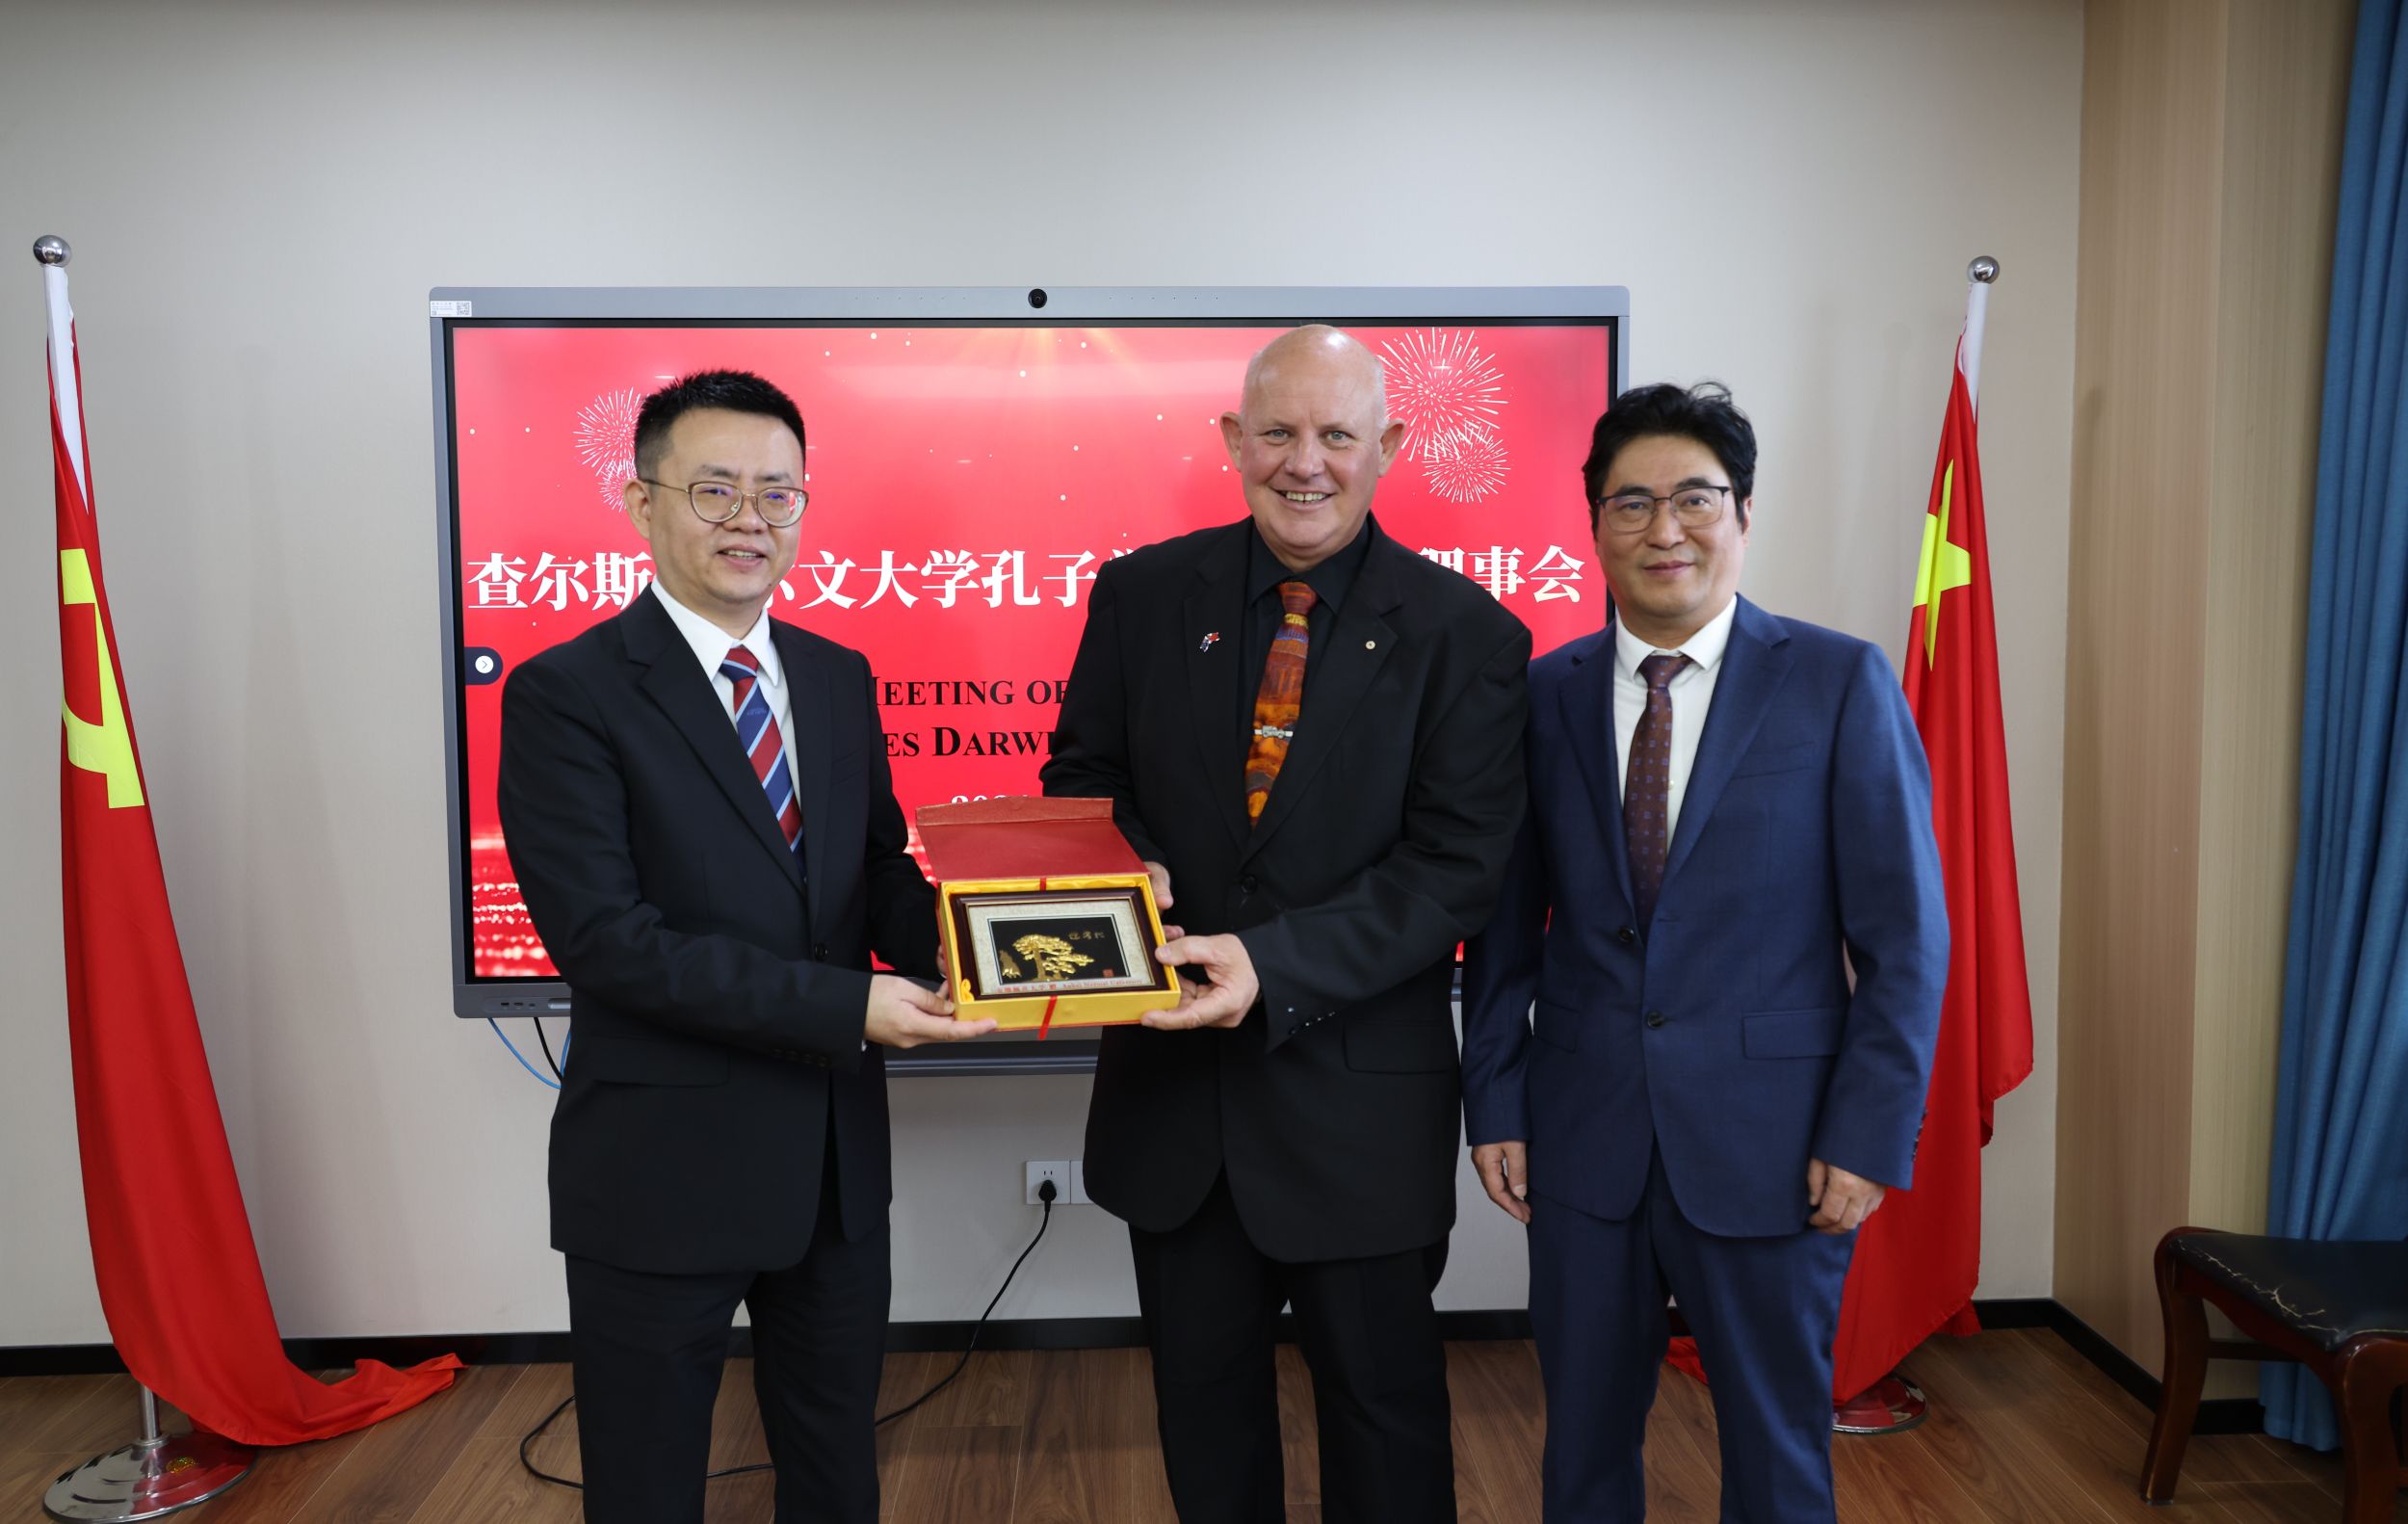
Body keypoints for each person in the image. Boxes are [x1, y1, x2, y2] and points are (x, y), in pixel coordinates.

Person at [1041, 326, 1531, 1524]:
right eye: (1276, 431)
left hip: (1358, 1113)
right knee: (1204, 1421)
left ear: (1388, 446)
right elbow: (1083, 780)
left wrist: (1269, 965)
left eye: (1335, 435)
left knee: (1384, 1421)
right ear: (1232, 439)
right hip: (1175, 1106)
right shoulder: (1144, 594)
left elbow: (1455, 869)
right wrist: (1127, 868)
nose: (1303, 462)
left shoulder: (1467, 635)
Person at [497, 369, 993, 1524]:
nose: (749, 519)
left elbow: (874, 873)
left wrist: (977, 947)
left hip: (830, 1163)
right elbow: (608, 942)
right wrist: (847, 1007)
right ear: (641, 502)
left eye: (778, 492)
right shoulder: (567, 693)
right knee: (647, 1481)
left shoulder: (833, 675)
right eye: (713, 489)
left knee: (834, 1466)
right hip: (661, 1166)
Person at [1460, 381, 1948, 1523]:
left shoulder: (1836, 681)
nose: (1663, 528)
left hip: (1775, 1145)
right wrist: (1496, 1098)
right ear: (1594, 523)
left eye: (1694, 498)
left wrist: (1865, 1133)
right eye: (1630, 503)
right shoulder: (1539, 695)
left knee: (1777, 1453)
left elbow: (1904, 941)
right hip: (1584, 1136)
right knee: (1582, 1448)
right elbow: (1502, 927)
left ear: (1742, 513)